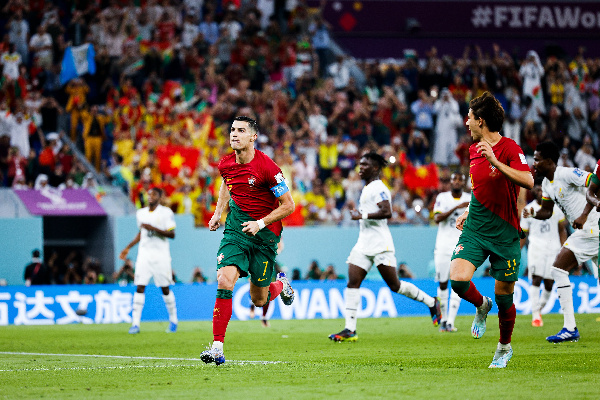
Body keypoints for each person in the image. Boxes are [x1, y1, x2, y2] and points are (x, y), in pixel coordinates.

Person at [201, 116, 296, 365]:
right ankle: (217, 347)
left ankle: (281, 285)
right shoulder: (225, 163)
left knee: (259, 299)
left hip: (265, 236)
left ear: (253, 137)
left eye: (241, 130)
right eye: (232, 129)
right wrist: (217, 213)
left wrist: (261, 223)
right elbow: (227, 183)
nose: (234, 134)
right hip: (236, 229)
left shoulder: (268, 168)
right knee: (224, 279)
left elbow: (289, 205)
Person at [451, 92, 533, 368]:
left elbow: (529, 180)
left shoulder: (509, 148)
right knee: (458, 281)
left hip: (505, 232)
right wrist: (467, 210)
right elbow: (479, 188)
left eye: (470, 118)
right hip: (476, 228)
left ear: (481, 121)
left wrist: (497, 162)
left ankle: (504, 347)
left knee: (504, 297)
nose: (467, 122)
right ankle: (480, 305)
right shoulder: (474, 150)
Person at [329, 152, 441, 343]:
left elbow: (387, 211)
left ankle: (431, 302)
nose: (360, 167)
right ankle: (350, 329)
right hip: (364, 243)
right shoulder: (367, 188)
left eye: (364, 165)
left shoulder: (379, 188)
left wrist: (362, 216)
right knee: (352, 282)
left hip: (381, 244)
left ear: (374, 168)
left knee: (395, 285)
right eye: (360, 164)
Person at [530, 141, 599, 343]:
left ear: (549, 161)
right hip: (587, 230)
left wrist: (585, 215)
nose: (534, 164)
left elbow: (595, 183)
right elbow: (546, 211)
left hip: (591, 227)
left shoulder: (567, 174)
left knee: (558, 269)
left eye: (537, 159)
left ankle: (570, 328)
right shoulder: (545, 184)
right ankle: (570, 328)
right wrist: (531, 213)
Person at [119, 187, 178, 334]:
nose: (150, 196)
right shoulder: (141, 213)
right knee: (140, 286)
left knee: (165, 288)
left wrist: (153, 227)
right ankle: (135, 324)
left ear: (160, 197)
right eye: (149, 194)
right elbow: (142, 233)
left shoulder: (166, 212)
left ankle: (173, 320)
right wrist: (128, 247)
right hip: (144, 255)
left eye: (154, 194)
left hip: (161, 256)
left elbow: (172, 234)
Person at [520, 182, 568, 327]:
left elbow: (562, 230)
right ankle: (535, 315)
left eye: (543, 188)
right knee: (536, 278)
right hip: (536, 248)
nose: (540, 191)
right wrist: (517, 252)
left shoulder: (555, 207)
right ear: (534, 191)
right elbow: (524, 234)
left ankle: (538, 308)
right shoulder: (528, 209)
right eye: (538, 188)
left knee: (549, 283)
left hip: (553, 248)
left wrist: (564, 248)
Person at [433, 172, 470, 332]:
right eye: (454, 179)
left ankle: (450, 322)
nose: (456, 181)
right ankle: (443, 320)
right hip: (442, 246)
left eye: (459, 179)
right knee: (443, 283)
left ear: (463, 182)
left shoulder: (470, 199)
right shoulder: (442, 197)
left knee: (458, 283)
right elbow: (437, 218)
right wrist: (456, 207)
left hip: (461, 246)